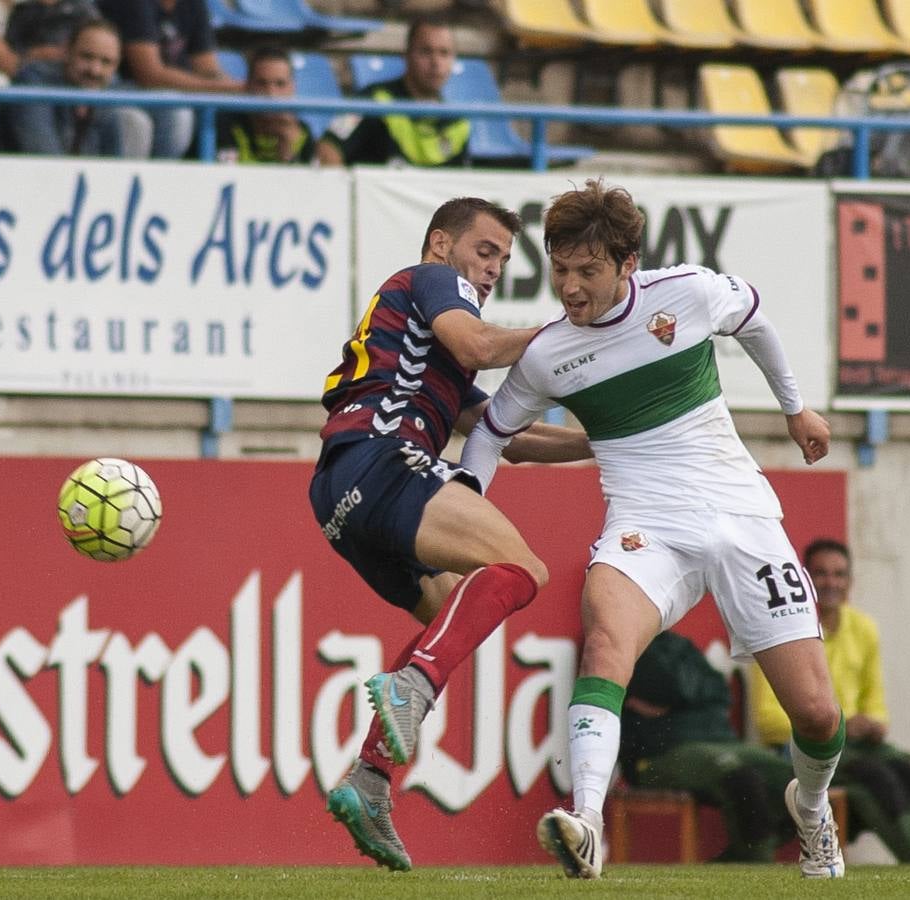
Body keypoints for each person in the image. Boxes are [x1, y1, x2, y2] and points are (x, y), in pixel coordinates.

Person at [460, 178, 844, 880]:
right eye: (560, 269)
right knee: (605, 640)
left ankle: (812, 808)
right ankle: (586, 818)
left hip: (740, 516)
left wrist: (795, 409)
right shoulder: (549, 353)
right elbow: (489, 435)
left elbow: (753, 317)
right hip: (645, 524)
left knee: (816, 715)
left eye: (587, 271)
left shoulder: (687, 293)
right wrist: (463, 506)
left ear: (626, 264)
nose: (570, 288)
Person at [308, 197, 591, 872]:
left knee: (449, 615)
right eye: (484, 250)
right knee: (523, 570)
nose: (492, 269)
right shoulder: (435, 282)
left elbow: (507, 437)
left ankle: (370, 777)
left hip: (338, 496)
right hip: (381, 457)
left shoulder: (428, 344)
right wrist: (568, 322)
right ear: (441, 243)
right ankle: (408, 694)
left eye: (501, 258)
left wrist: (602, 442)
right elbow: (478, 343)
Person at [750, 538, 910, 864]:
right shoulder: (780, 630)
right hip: (804, 749)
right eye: (821, 574)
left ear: (850, 582)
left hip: (857, 744)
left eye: (839, 575)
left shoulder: (864, 628)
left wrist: (873, 726)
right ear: (803, 580)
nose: (831, 583)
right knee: (875, 776)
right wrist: (837, 724)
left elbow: (877, 708)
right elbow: (767, 721)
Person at [621, 631, 800, 862]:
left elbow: (718, 691)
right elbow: (668, 686)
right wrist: (686, 696)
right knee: (740, 777)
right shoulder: (623, 642)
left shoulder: (678, 644)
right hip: (656, 755)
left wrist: (677, 700)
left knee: (791, 778)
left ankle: (739, 860)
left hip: (716, 742)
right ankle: (755, 865)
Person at [315, 13, 468, 167]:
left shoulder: (457, 122)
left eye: (444, 53)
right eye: (426, 51)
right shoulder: (372, 101)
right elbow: (328, 149)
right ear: (406, 55)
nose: (436, 62)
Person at [96, 0, 242, 159]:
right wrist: (236, 88)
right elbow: (150, 76)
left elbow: (208, 70)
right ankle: (161, 178)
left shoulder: (194, 5)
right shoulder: (133, 4)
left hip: (170, 94)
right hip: (117, 90)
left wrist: (238, 90)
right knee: (174, 111)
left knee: (221, 115)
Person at [8, 17, 124, 157]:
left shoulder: (111, 91)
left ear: (116, 65)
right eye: (87, 57)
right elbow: (43, 155)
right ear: (66, 51)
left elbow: (114, 165)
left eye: (106, 62)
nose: (95, 70)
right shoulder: (33, 82)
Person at [214, 45, 315, 164]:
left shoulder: (302, 133)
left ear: (292, 88)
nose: (271, 93)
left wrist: (290, 156)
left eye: (280, 84)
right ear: (248, 86)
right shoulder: (225, 126)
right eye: (261, 83)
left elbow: (307, 181)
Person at [4, 0, 100, 65]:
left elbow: (99, 41)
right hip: (31, 73)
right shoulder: (23, 10)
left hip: (75, 71)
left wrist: (68, 52)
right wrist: (33, 54)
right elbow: (10, 50)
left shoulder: (83, 9)